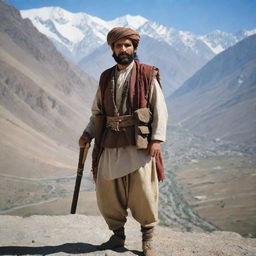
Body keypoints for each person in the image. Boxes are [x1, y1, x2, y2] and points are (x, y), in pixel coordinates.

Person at [79, 27, 168, 256]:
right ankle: (117, 236)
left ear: (134, 48)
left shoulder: (147, 74)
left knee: (144, 194)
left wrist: (156, 139)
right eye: (118, 46)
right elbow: (97, 112)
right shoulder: (105, 77)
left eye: (127, 45)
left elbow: (160, 109)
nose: (123, 49)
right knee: (108, 193)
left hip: (139, 145)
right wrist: (88, 134)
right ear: (112, 49)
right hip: (110, 143)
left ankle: (147, 239)